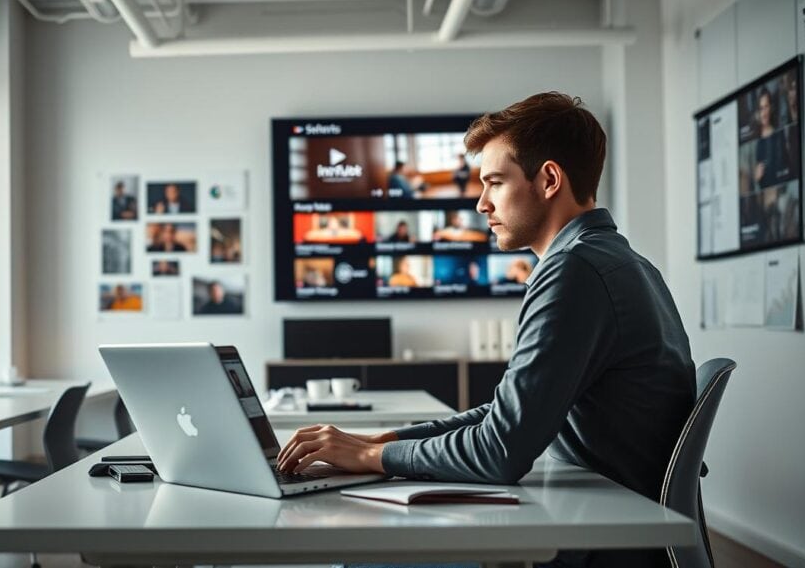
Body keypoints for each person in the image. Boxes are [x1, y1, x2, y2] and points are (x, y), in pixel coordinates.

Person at [276, 92, 695, 568]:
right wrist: (382, 442)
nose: (481, 204)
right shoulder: (622, 261)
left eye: (495, 182)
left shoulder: (574, 271)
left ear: (549, 180)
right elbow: (505, 416)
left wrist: (372, 460)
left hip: (597, 545)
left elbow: (499, 452)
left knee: (367, 551)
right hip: (604, 521)